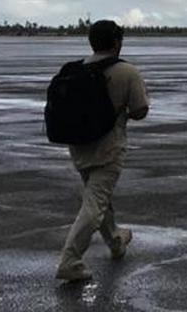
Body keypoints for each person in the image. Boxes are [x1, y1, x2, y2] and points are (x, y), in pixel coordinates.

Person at [55, 19, 150, 283]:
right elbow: (140, 110)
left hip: (79, 146)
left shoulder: (79, 69)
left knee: (98, 197)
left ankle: (116, 240)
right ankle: (70, 260)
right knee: (94, 204)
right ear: (117, 43)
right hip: (108, 149)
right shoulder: (126, 71)